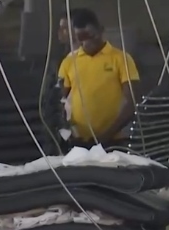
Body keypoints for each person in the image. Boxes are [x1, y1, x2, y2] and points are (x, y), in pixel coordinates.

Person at [57, 8, 139, 148]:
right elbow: (58, 102)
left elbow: (131, 102)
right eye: (81, 37)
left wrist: (106, 137)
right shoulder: (69, 62)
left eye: (91, 35)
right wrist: (66, 131)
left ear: (101, 30)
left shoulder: (121, 59)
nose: (87, 41)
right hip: (79, 142)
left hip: (114, 140)